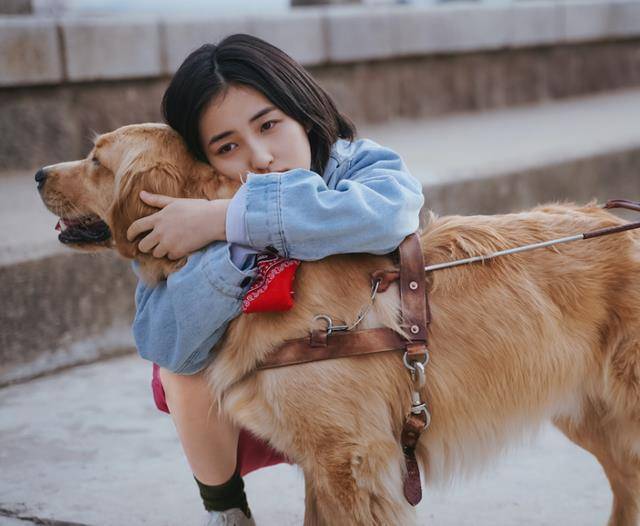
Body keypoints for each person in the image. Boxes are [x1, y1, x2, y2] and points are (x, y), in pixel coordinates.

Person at [126, 34, 425, 526]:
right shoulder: (190, 211)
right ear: (203, 163)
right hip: (259, 402)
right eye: (227, 146)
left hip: (362, 385)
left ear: (302, 114)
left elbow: (391, 215)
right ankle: (226, 513)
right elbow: (164, 340)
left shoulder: (357, 164)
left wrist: (232, 219)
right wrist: (229, 246)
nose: (261, 157)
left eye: (269, 124)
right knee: (180, 367)